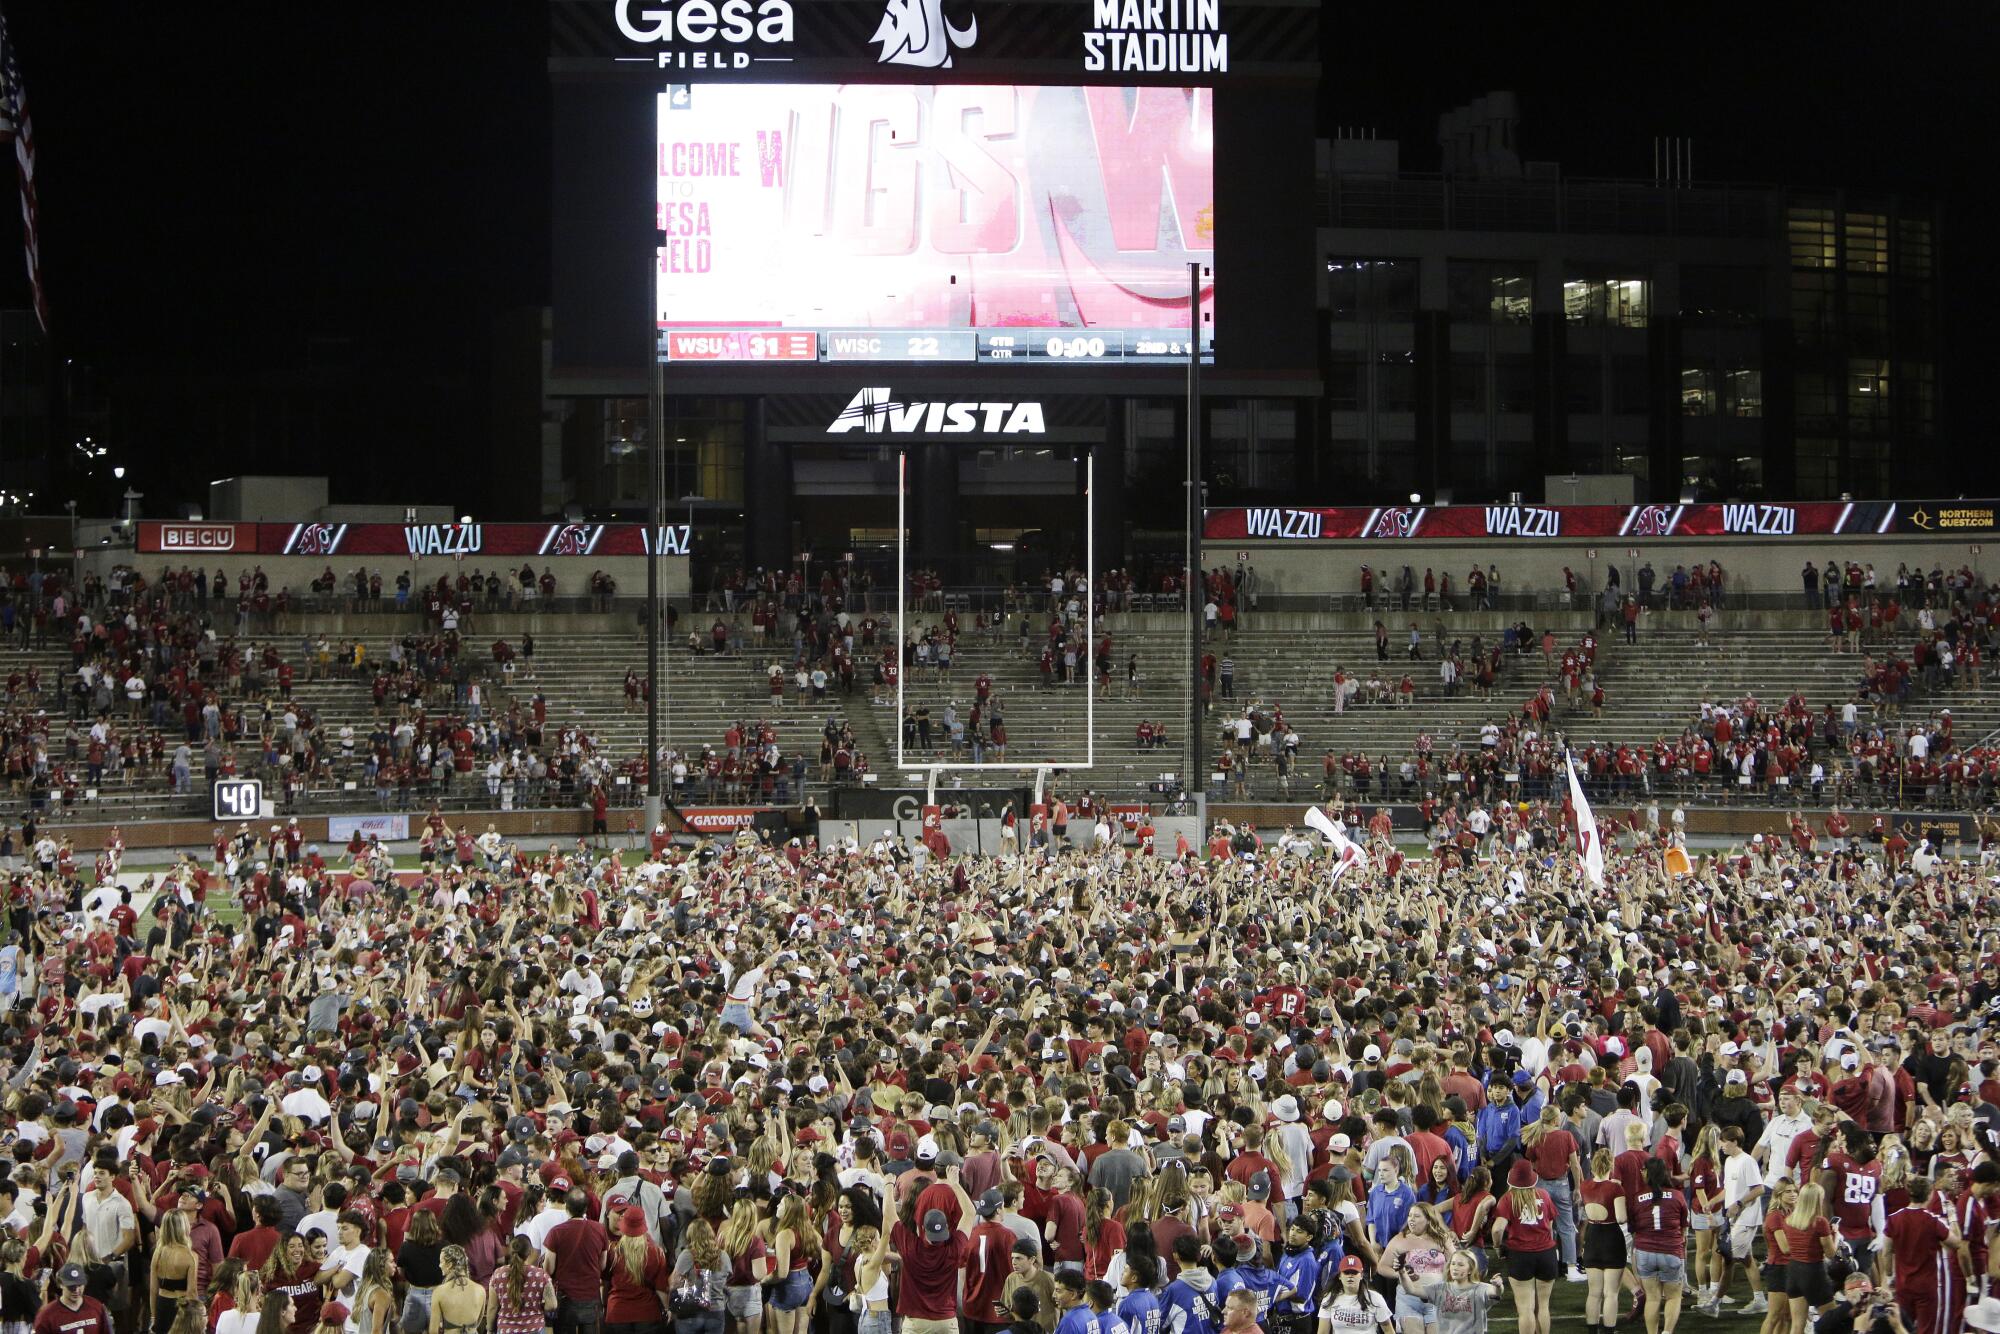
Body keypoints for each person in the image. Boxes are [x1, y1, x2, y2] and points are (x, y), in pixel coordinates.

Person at [1488, 1161, 1556, 1334]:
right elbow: (1550, 1225)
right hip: (1546, 1253)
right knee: (1544, 1307)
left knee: (1525, 1309)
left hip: (1521, 1255)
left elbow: (1497, 1228)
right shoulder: (1544, 1195)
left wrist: (1497, 1246)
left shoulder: (1508, 1199)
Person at [1630, 1159, 1689, 1334]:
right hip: (1670, 1251)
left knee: (1652, 1299)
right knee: (1673, 1297)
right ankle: (1667, 1332)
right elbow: (1684, 1229)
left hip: (1645, 1252)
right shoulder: (1677, 1196)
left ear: (1648, 1173)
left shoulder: (1638, 1197)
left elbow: (1634, 1229)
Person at [1576, 1150, 1627, 1334]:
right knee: (1611, 1293)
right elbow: (1621, 1218)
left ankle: (1592, 1331)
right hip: (1612, 1240)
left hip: (1592, 1239)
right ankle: (1609, 1331)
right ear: (1610, 1165)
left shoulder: (1584, 1186)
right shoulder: (1615, 1188)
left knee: (1594, 1292)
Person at [1316, 1257, 1392, 1334]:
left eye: (1354, 1272)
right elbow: (1322, 1332)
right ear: (1339, 1276)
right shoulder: (1329, 1298)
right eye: (1346, 1272)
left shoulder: (1375, 1298)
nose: (1350, 1276)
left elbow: (1388, 1330)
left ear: (1361, 1275)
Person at [33, 1265, 112, 1334]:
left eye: (80, 1285)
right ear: (60, 1284)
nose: (76, 1290)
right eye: (71, 1286)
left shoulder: (97, 1307)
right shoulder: (47, 1316)